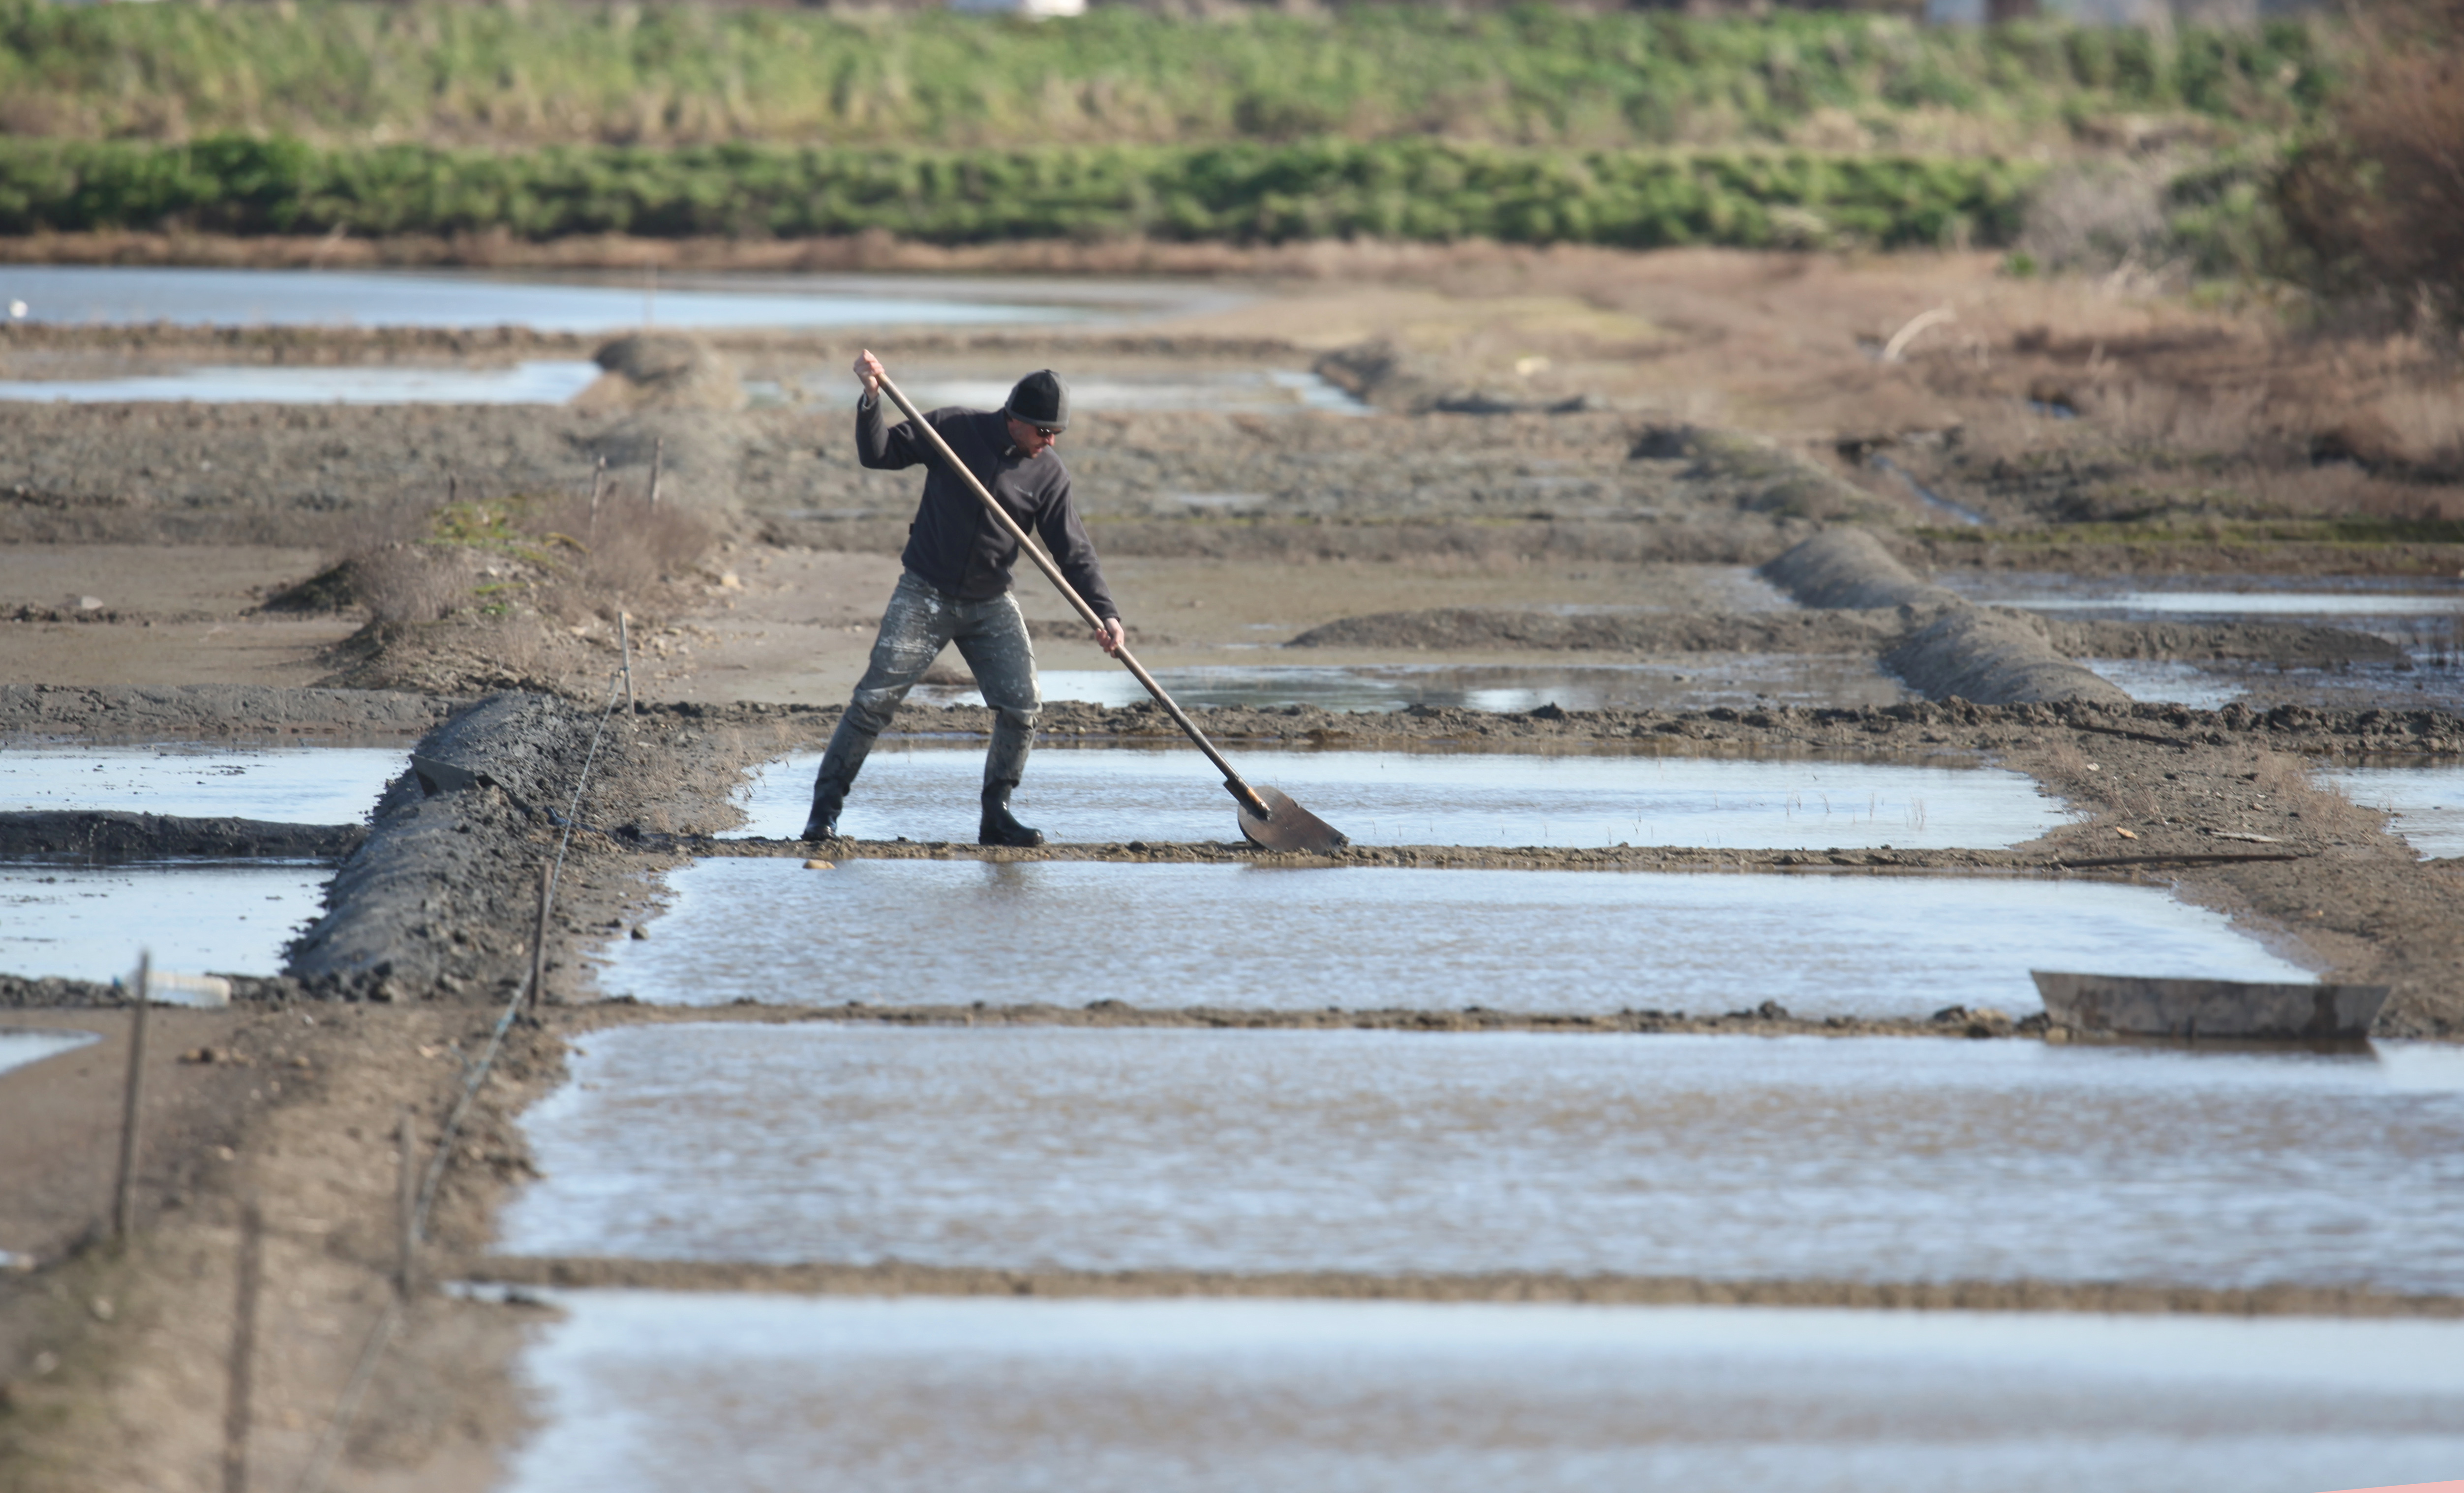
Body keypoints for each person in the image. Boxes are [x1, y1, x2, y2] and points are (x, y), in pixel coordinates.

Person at [802, 350, 1126, 847]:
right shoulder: (952, 428)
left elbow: (1073, 550)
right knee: (872, 704)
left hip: (990, 603)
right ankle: (823, 814)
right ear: (1015, 419)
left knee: (1022, 707)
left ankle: (996, 815)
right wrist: (871, 400)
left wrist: (1105, 613)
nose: (1051, 441)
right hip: (923, 593)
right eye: (1044, 431)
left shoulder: (1049, 474)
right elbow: (879, 454)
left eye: (1057, 433)